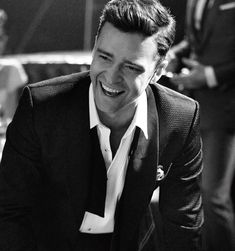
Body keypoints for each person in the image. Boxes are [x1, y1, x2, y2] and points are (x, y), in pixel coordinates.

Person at [0, 0, 203, 250]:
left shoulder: (180, 118)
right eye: (104, 57)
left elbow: (184, 225)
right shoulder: (41, 107)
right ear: (94, 48)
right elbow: (10, 212)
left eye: (131, 67)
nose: (111, 76)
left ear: (158, 70)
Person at [166, 0, 235, 250]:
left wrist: (208, 75)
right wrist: (174, 53)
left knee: (214, 197)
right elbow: (195, 40)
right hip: (194, 105)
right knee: (193, 193)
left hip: (225, 108)